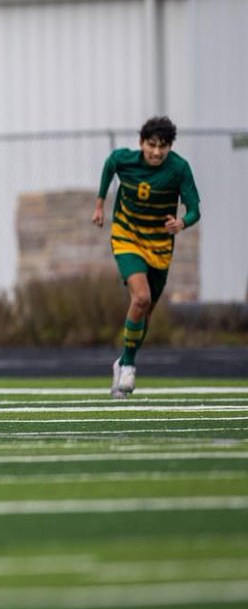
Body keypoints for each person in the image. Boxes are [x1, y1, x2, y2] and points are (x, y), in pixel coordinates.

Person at [91, 116, 200, 399]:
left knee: (146, 312)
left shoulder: (179, 169)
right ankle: (128, 365)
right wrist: (100, 204)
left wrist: (182, 223)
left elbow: (194, 210)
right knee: (140, 298)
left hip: (160, 246)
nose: (156, 152)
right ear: (141, 143)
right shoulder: (125, 160)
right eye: (151, 145)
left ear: (169, 147)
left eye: (162, 146)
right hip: (127, 236)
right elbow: (109, 165)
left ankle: (123, 361)